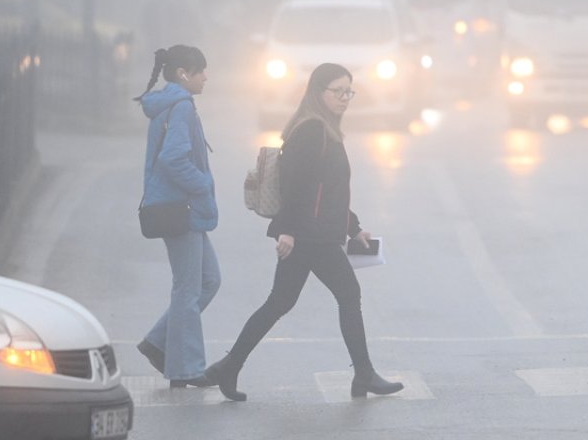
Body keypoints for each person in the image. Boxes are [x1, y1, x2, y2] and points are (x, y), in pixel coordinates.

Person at [205, 63, 403, 402]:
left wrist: (353, 228)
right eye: (338, 91)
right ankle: (364, 374)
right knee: (347, 295)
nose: (345, 98)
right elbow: (297, 186)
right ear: (318, 92)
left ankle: (228, 366)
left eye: (349, 91)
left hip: (316, 232)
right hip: (310, 235)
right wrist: (288, 231)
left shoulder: (324, 128)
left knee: (280, 302)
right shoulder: (312, 130)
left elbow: (328, 190)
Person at [134, 45, 221, 388]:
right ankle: (186, 369)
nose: (206, 77)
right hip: (180, 209)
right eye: (201, 71)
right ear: (184, 74)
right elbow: (174, 159)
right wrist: (203, 184)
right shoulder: (181, 106)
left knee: (208, 281)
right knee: (188, 289)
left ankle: (158, 343)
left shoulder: (171, 104)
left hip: (183, 209)